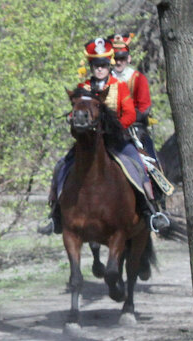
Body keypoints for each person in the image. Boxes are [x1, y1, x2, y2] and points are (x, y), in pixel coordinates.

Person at [38, 37, 169, 235]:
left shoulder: (120, 86)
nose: (99, 69)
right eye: (95, 65)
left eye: (103, 65)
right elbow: (76, 112)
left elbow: (130, 114)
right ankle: (55, 214)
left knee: (140, 165)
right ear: (91, 66)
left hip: (117, 139)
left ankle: (151, 210)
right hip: (88, 142)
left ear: (109, 65)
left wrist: (114, 129)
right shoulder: (83, 88)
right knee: (61, 165)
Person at [111, 33, 156, 160]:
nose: (119, 62)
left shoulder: (139, 79)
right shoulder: (106, 79)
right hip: (108, 126)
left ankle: (156, 177)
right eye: (116, 59)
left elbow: (144, 107)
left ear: (128, 59)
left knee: (151, 159)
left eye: (122, 59)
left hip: (134, 127)